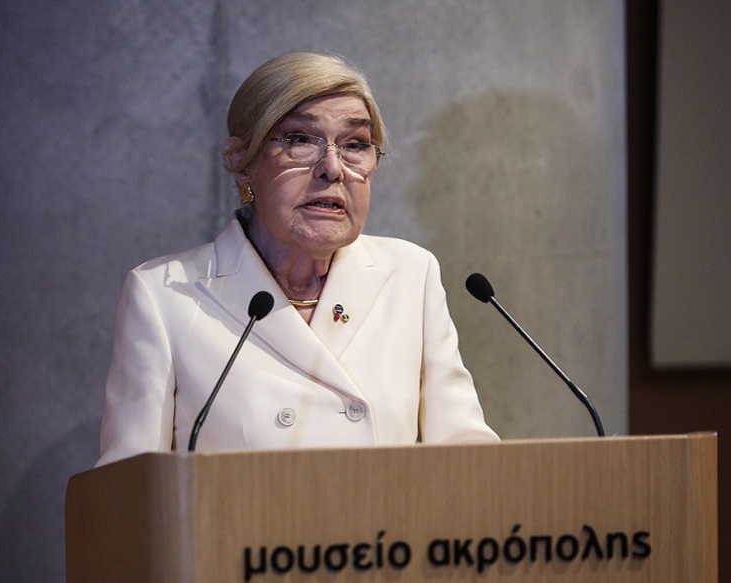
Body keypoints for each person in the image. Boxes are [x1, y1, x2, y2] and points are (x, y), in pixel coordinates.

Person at [96, 52, 498, 467]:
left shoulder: (409, 273)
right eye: (300, 140)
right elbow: (129, 486)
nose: (332, 168)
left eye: (355, 144)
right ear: (241, 161)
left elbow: (468, 459)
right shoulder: (164, 296)